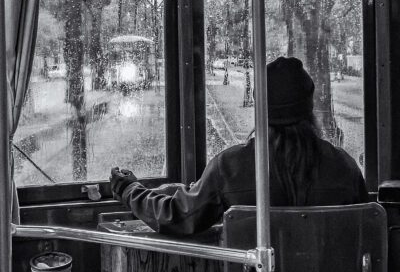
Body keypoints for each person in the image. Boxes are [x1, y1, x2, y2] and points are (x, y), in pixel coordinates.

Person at [110, 57, 368, 236]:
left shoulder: (231, 167)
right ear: (310, 107)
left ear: (260, 108)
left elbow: (176, 216)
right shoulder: (344, 166)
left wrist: (130, 189)